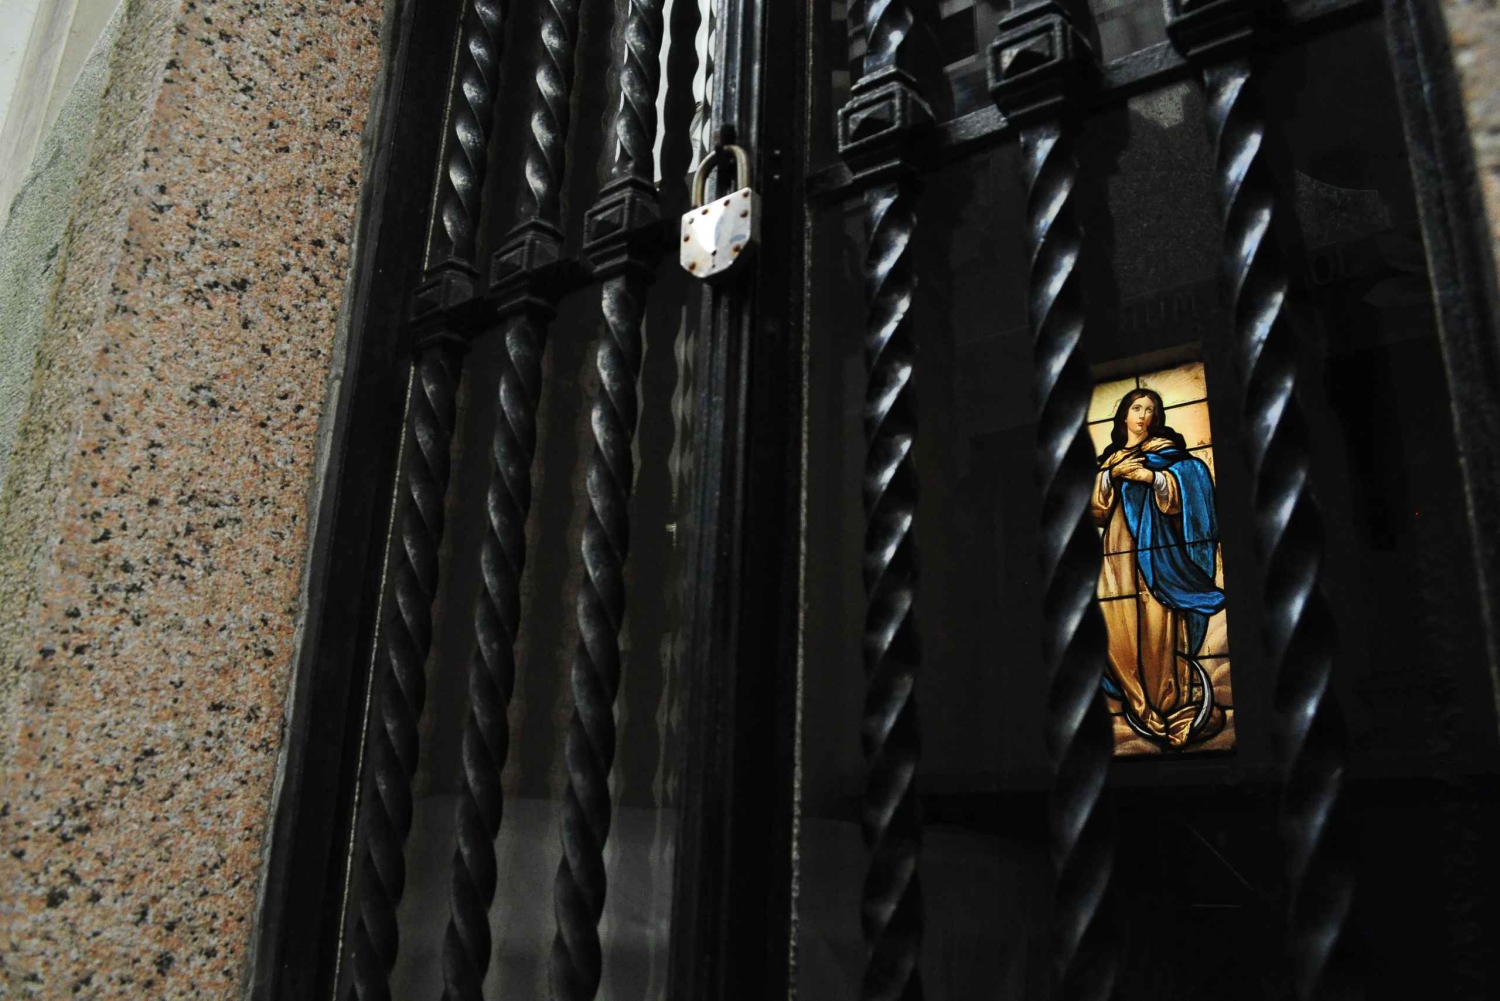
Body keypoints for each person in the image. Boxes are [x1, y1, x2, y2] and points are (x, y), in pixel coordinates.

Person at [1091, 388, 1226, 749]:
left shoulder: (1166, 453)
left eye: (1152, 410)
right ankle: (1136, 703)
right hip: (1115, 554)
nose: (1144, 416)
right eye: (1137, 408)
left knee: (1157, 627)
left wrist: (1154, 479)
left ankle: (1167, 706)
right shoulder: (1111, 458)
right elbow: (1097, 511)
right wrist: (1109, 475)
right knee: (1115, 624)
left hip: (1156, 556)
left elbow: (1193, 478)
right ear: (1123, 414)